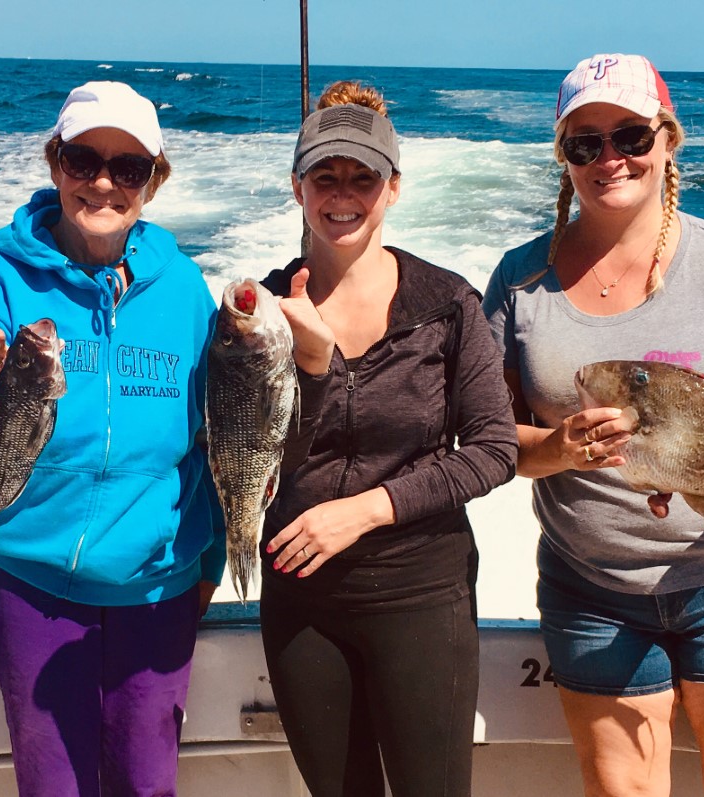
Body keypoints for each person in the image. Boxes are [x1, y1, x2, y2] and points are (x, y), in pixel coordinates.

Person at [484, 54, 704, 797]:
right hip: (592, 586)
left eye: (631, 136)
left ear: (667, 140)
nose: (610, 158)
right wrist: (559, 449)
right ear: (565, 157)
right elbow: (494, 440)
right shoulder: (519, 281)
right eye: (585, 143)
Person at [0, 80, 225, 796]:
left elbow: (211, 442)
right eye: (84, 160)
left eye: (129, 167)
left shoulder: (184, 290)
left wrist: (209, 559)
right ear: (55, 163)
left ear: (154, 181)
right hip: (34, 588)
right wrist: (5, 412)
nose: (104, 183)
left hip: (159, 587)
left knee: (148, 784)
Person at [257, 81, 518, 797]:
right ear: (297, 187)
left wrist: (369, 509)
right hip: (299, 597)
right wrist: (312, 366)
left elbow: (495, 449)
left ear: (393, 188)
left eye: (363, 177)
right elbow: (253, 458)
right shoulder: (259, 313)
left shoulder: (447, 304)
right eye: (325, 176)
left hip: (421, 593)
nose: (343, 195)